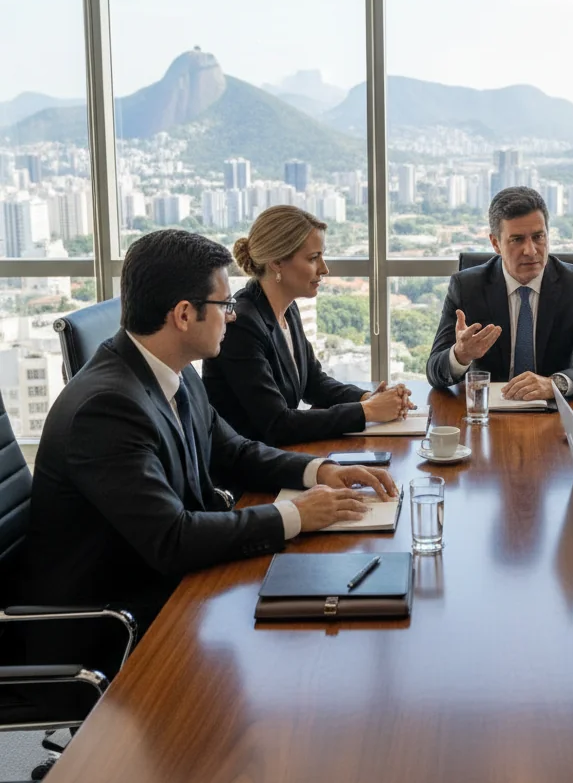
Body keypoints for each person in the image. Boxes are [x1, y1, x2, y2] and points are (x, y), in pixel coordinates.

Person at [26, 229, 398, 639]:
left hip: (177, 591)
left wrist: (320, 470)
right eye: (224, 305)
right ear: (184, 315)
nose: (233, 315)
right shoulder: (105, 409)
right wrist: (295, 514)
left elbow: (234, 452)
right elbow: (172, 539)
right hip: (116, 625)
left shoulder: (175, 370)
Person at [203, 205, 413, 445]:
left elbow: (314, 383)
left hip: (281, 454)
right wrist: (368, 411)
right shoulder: (242, 325)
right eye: (314, 258)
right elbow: (277, 424)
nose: (324, 269)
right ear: (277, 263)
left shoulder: (287, 309)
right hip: (249, 471)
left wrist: (369, 397)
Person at [426, 186, 573, 400]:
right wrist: (460, 355)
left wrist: (554, 384)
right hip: (489, 413)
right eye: (517, 240)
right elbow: (434, 371)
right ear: (496, 243)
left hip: (554, 413)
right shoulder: (467, 286)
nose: (531, 250)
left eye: (538, 237)